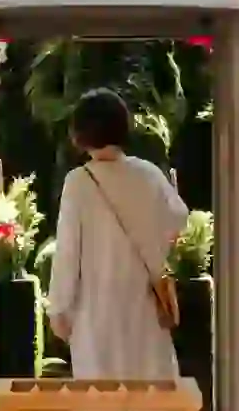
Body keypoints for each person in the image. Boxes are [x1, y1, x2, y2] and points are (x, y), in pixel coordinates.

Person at [46, 88, 190, 380]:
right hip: (145, 309)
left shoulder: (78, 183)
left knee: (101, 400)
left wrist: (58, 308)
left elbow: (68, 253)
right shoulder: (148, 174)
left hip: (95, 316)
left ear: (79, 134)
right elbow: (179, 219)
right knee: (149, 400)